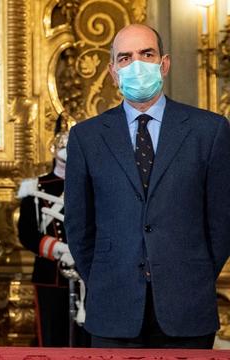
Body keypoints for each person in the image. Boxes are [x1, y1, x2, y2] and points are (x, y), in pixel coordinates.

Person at [65, 24, 230, 348]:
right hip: (113, 308)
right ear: (113, 72)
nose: (136, 65)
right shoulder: (86, 137)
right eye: (125, 58)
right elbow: (78, 226)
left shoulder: (209, 131)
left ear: (164, 63)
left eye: (147, 54)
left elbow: (222, 221)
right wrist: (102, 280)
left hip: (187, 308)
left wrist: (193, 276)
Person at [17, 115, 89, 347]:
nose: (66, 150)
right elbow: (27, 233)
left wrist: (80, 251)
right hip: (50, 272)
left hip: (86, 273)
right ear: (53, 147)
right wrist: (58, 249)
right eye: (62, 144)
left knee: (85, 341)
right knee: (51, 339)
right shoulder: (34, 187)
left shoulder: (91, 185)